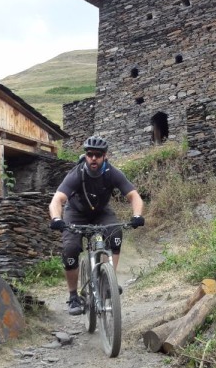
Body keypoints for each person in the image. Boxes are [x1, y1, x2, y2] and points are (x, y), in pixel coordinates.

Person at [48, 135, 145, 315]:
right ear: (85, 155)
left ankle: (109, 282)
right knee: (70, 249)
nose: (94, 158)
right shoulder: (77, 174)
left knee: (115, 233)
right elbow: (57, 200)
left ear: (104, 156)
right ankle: (73, 297)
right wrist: (56, 219)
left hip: (101, 212)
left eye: (98, 155)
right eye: (90, 154)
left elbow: (134, 196)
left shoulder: (112, 173)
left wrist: (137, 215)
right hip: (75, 213)